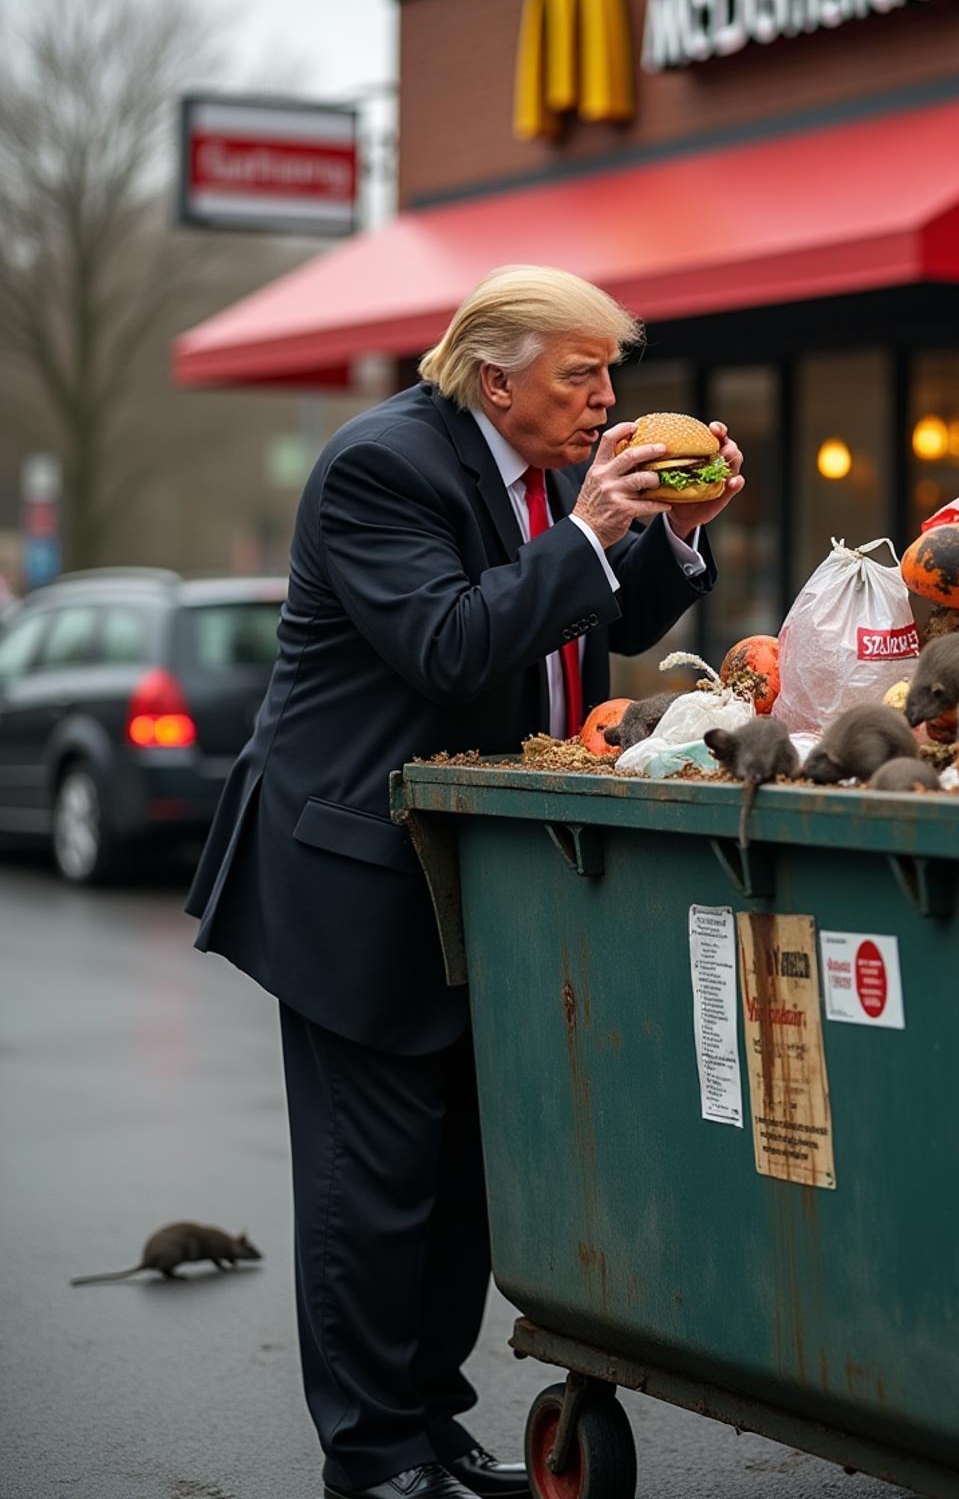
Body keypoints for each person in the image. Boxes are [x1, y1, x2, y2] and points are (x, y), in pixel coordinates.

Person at [185, 266, 744, 1499]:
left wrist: (675, 537)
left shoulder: (543, 476)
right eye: (578, 375)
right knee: (369, 1188)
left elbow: (590, 623)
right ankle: (371, 1455)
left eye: (612, 373)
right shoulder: (384, 467)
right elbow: (450, 642)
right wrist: (593, 530)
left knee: (457, 1188)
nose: (607, 398)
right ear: (495, 378)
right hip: (358, 870)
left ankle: (428, 1425)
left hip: (477, 876)